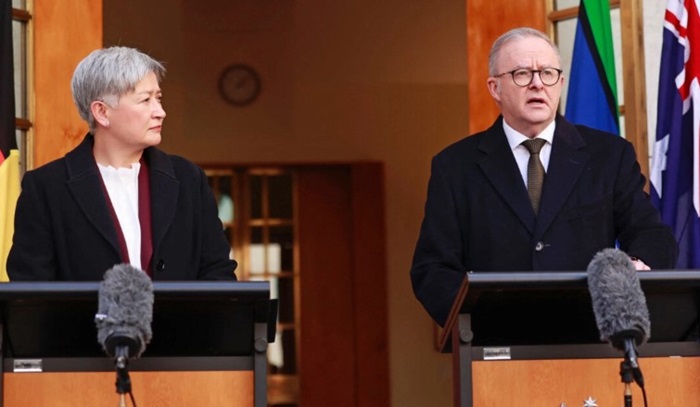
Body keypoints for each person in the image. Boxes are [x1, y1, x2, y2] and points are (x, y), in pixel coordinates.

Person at [410, 27, 678, 326]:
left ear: (561, 83)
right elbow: (432, 269)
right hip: (497, 347)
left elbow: (652, 235)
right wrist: (481, 322)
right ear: (494, 87)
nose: (537, 84)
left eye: (548, 73)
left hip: (592, 339)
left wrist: (635, 270)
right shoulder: (455, 166)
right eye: (522, 73)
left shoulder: (609, 156)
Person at [7, 46, 237, 281]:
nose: (160, 112)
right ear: (102, 112)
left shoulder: (189, 179)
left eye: (158, 98)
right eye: (145, 100)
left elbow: (218, 273)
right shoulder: (46, 188)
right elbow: (32, 293)